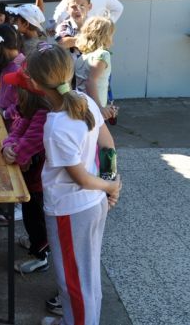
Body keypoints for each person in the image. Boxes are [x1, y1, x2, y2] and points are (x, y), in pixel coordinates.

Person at [24, 44, 122, 325]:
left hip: (70, 212)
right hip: (91, 205)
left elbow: (79, 176)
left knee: (75, 283)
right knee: (86, 277)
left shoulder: (55, 126)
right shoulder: (84, 100)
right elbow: (108, 145)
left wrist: (109, 188)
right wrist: (110, 181)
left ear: (35, 84)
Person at [1, 68, 50, 273]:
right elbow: (15, 134)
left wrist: (14, 151)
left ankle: (40, 256)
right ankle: (36, 242)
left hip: (40, 182)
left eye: (17, 88)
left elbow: (22, 153)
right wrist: (7, 147)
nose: (13, 92)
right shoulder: (30, 111)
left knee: (35, 218)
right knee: (31, 215)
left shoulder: (43, 115)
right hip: (32, 179)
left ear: (28, 92)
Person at [75, 17, 119, 122]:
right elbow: (90, 81)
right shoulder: (103, 54)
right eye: (111, 34)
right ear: (105, 35)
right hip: (93, 110)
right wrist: (100, 107)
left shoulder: (82, 57)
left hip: (80, 106)